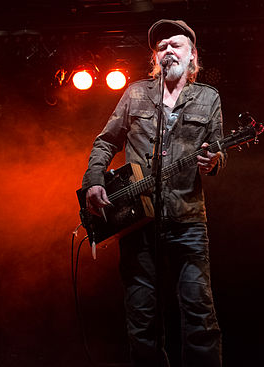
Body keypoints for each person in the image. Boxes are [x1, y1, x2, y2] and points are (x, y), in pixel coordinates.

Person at [82, 19, 225, 367]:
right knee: (142, 319)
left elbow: (219, 149)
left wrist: (214, 161)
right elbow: (106, 141)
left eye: (175, 44)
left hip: (188, 220)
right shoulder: (135, 93)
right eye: (161, 47)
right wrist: (94, 180)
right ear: (155, 57)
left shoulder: (208, 97)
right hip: (138, 222)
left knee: (199, 315)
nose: (167, 51)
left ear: (192, 54)